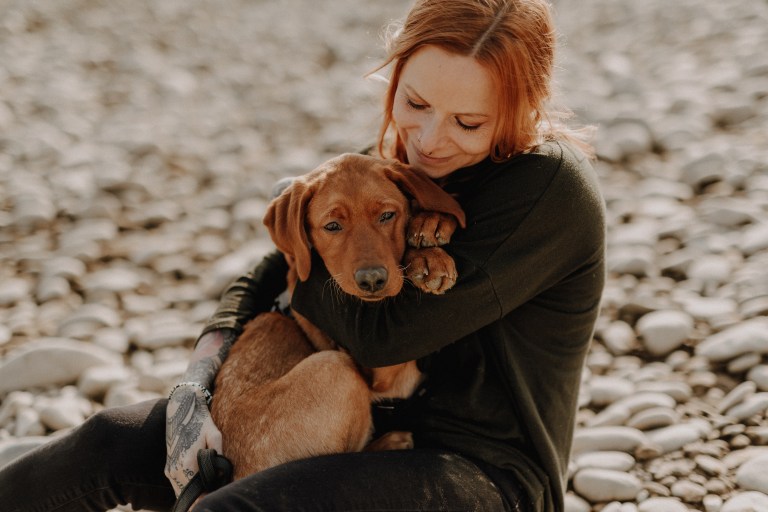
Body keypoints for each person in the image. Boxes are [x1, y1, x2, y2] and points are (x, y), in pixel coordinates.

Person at [0, 0, 605, 511]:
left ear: (522, 110)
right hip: (359, 420)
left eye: (468, 122)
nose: (428, 139)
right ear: (394, 76)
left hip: (478, 471)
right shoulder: (402, 167)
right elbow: (271, 270)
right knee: (104, 443)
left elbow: (385, 333)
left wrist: (313, 245)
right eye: (415, 103)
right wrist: (201, 373)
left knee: (231, 508)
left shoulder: (546, 189)